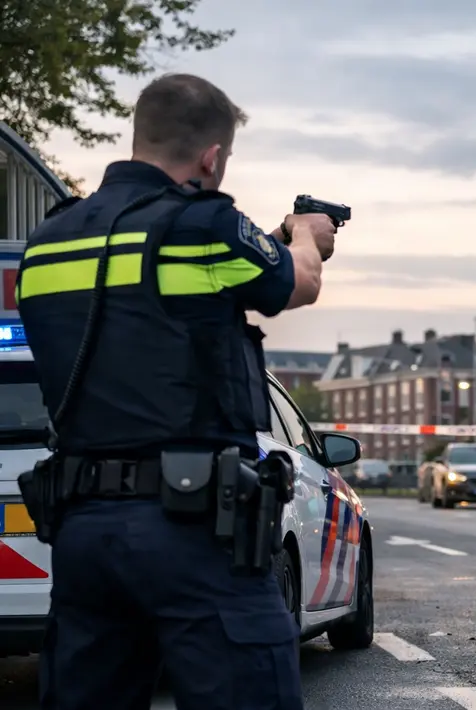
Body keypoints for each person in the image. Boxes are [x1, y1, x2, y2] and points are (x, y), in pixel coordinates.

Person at [17, 74, 337, 710]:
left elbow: (144, 303)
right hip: (192, 529)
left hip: (84, 531)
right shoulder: (206, 226)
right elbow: (298, 283)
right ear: (212, 157)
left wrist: (259, 246)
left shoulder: (50, 238)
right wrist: (306, 235)